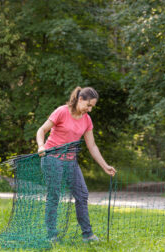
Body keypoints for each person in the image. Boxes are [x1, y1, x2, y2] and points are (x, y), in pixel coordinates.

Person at [36, 86, 116, 242]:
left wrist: (105, 166)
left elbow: (92, 146)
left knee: (82, 194)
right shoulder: (62, 111)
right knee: (54, 195)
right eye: (88, 105)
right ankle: (51, 235)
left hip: (70, 161)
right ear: (80, 99)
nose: (90, 109)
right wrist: (41, 146)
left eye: (92, 106)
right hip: (52, 158)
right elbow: (42, 130)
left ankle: (87, 234)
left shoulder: (87, 119)